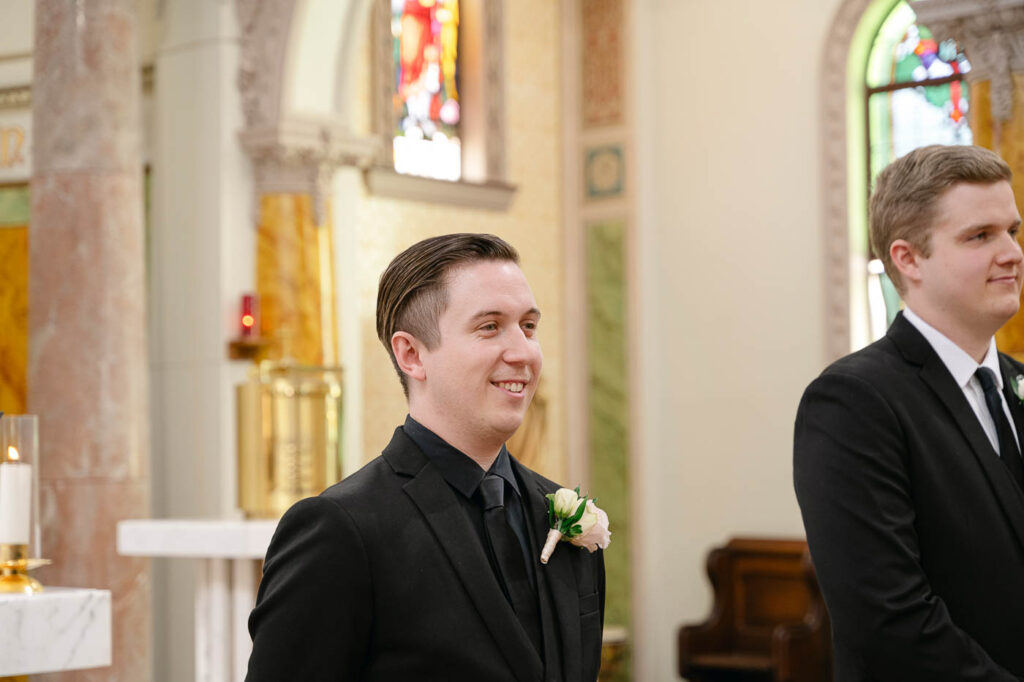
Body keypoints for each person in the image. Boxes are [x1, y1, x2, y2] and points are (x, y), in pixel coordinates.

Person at [246, 233, 605, 682]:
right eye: (490, 326)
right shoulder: (341, 529)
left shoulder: (562, 512)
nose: (524, 353)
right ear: (412, 354)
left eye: (528, 326)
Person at [794, 144, 1024, 680]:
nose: (1012, 252)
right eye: (980, 236)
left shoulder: (1017, 380)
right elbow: (889, 621)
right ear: (907, 258)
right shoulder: (853, 402)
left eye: (1013, 230)